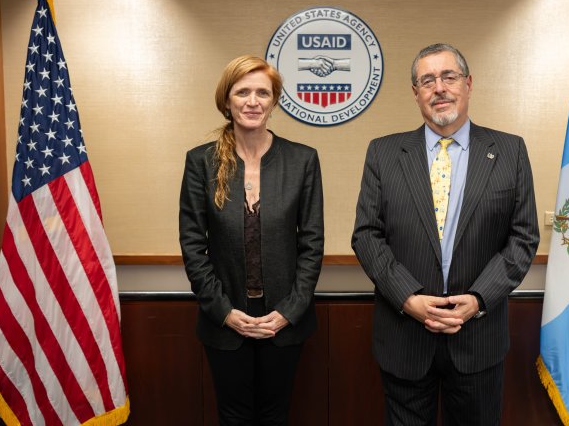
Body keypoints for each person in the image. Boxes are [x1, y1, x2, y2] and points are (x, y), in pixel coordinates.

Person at [351, 43, 539, 426]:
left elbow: (522, 238)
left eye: (448, 77)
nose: (439, 88)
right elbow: (367, 235)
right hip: (405, 336)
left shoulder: (509, 151)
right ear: (416, 93)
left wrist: (478, 299)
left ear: (468, 84)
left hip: (478, 338)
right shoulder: (384, 153)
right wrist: (408, 298)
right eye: (427, 80)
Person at [179, 55, 324, 426]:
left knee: (276, 415)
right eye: (242, 92)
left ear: (274, 102)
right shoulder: (202, 162)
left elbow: (312, 244)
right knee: (234, 417)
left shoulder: (302, 160)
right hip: (224, 320)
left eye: (263, 92)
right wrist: (225, 313)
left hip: (284, 321)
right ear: (226, 100)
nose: (253, 101)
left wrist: (289, 312)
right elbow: (194, 246)